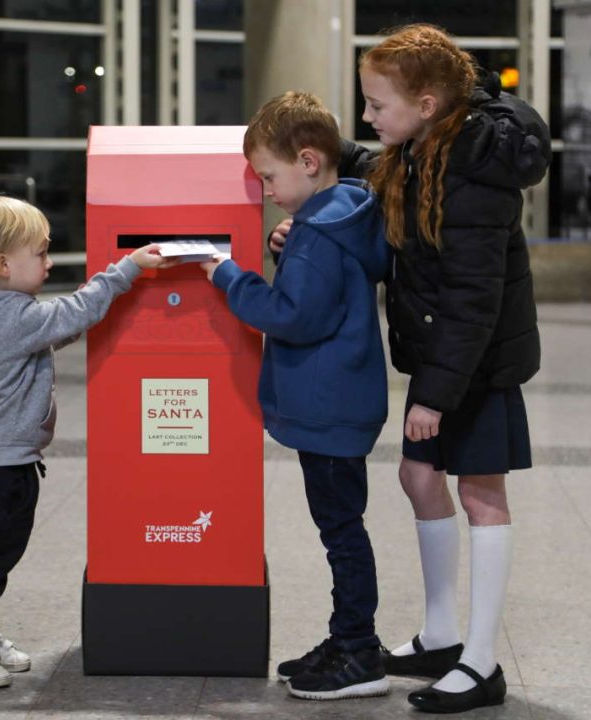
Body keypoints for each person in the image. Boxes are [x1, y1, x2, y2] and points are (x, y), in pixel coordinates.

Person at [270, 24, 551, 714]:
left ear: (426, 104)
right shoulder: (421, 149)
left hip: (477, 365)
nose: (367, 117)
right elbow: (362, 162)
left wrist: (433, 394)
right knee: (418, 475)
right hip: (443, 359)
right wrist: (301, 166)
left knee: (481, 494)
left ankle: (482, 665)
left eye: (376, 104)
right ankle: (441, 635)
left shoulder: (475, 168)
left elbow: (474, 300)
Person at [199, 91, 392, 701]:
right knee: (342, 527)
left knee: (341, 531)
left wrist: (227, 274)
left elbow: (293, 315)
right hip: (343, 402)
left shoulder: (317, 233)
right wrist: (292, 243)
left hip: (329, 409)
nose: (266, 190)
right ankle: (346, 638)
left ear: (309, 161)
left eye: (269, 176)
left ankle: (359, 651)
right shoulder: (344, 215)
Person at [0, 195, 174, 688]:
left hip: (0, 462)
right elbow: (72, 311)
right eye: (40, 254)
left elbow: (48, 333)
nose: (49, 263)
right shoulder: (9, 316)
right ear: (3, 265)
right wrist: (125, 270)